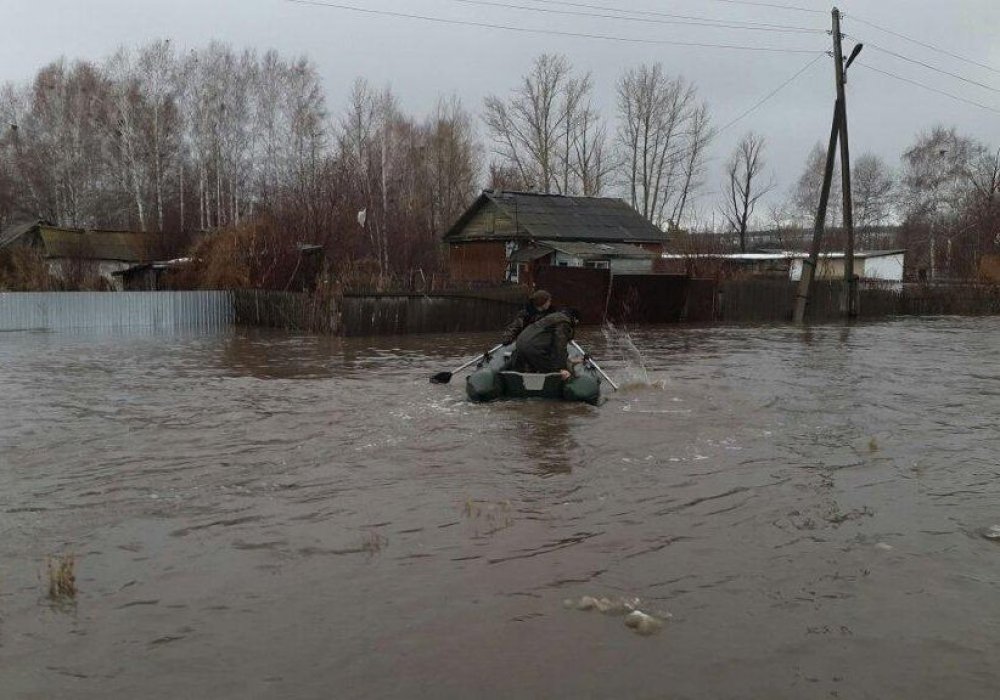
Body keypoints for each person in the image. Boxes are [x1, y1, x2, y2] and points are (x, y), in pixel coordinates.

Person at [509, 307, 582, 380]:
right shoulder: (563, 322)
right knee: (557, 371)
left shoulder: (551, 317)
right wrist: (561, 368)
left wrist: (567, 360)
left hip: (520, 344)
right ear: (574, 318)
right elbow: (560, 346)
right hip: (533, 348)